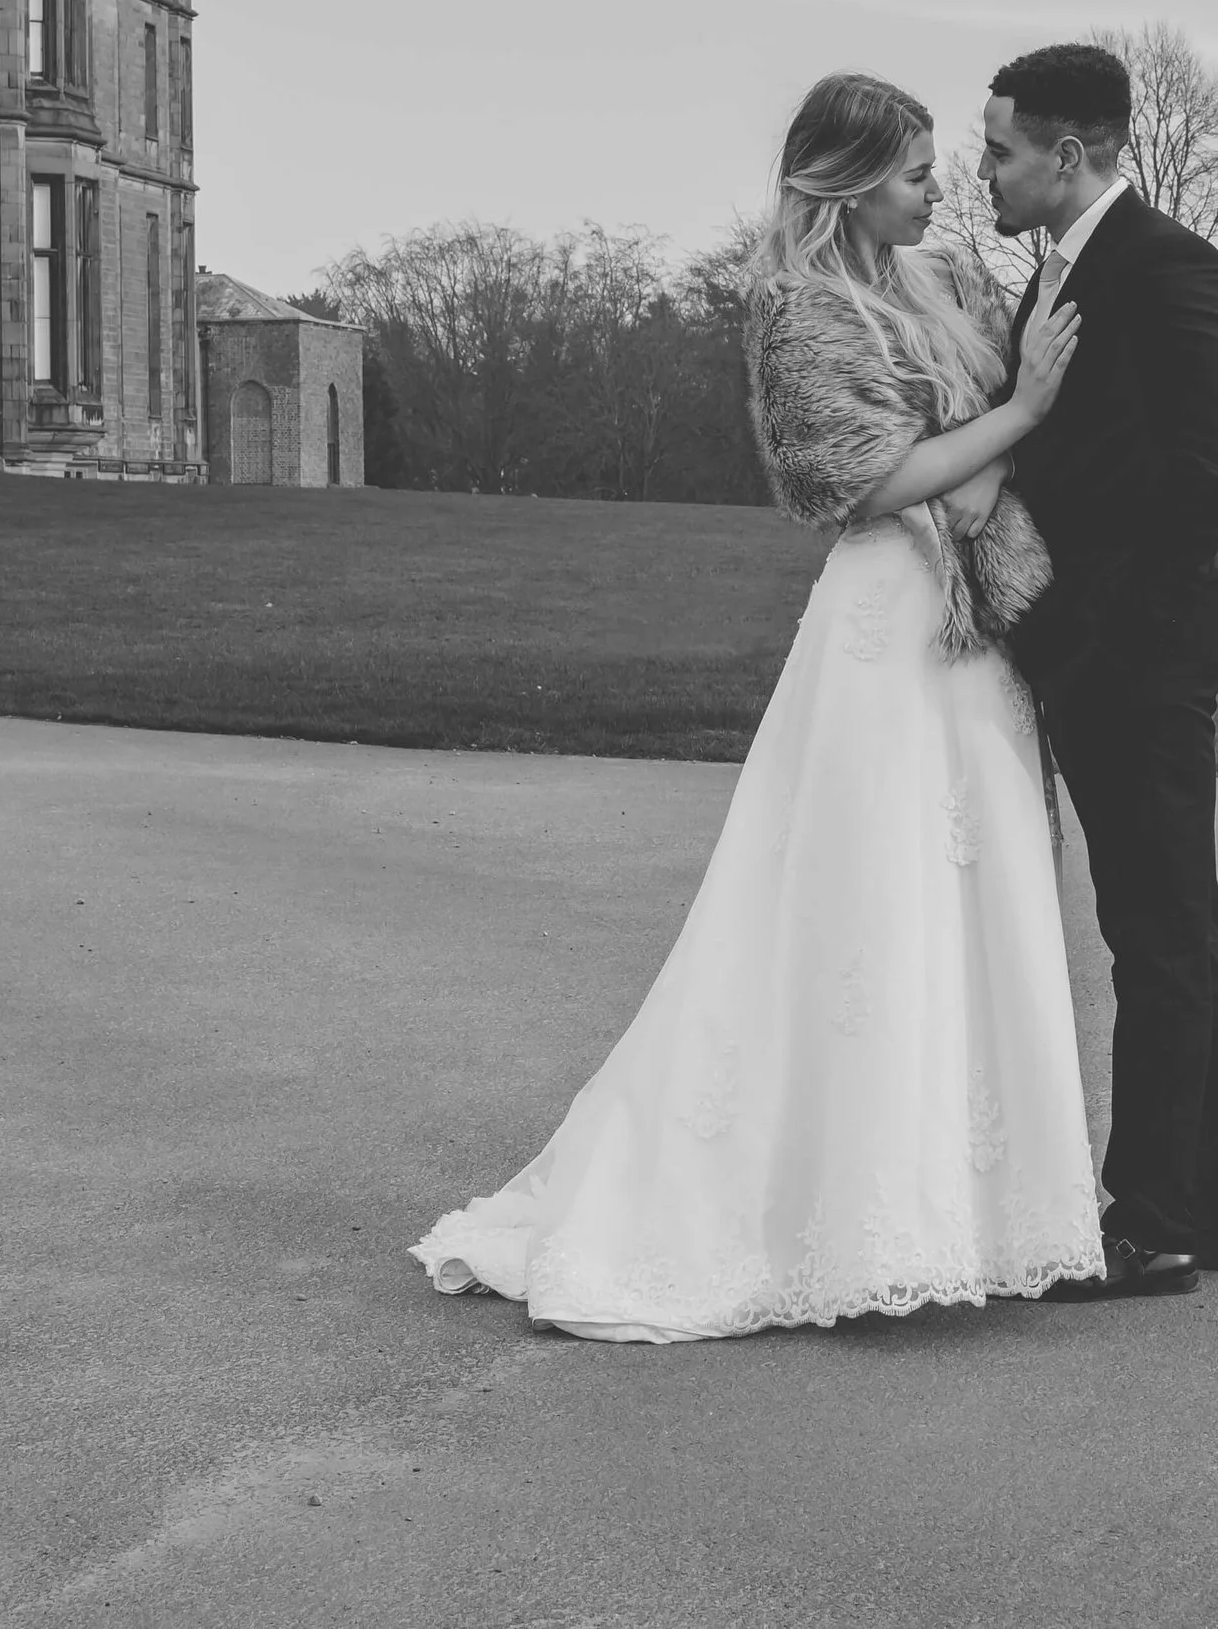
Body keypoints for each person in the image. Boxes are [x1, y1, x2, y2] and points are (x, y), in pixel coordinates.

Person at [412, 71, 1104, 1339]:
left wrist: (1003, 430)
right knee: (868, 902)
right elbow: (869, 479)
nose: (936, 187)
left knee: (975, 892)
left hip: (966, 628)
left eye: (939, 166)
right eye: (909, 172)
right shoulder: (801, 311)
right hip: (885, 626)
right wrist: (1019, 413)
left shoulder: (944, 284)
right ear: (842, 181)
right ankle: (850, 1218)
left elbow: (972, 460)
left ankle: (977, 1215)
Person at [981, 41, 1218, 1301]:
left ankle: (1147, 1221)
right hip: (1098, 646)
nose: (983, 168)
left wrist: (1114, 638)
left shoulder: (1168, 265)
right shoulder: (1054, 270)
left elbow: (1206, 472)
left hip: (1142, 654)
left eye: (998, 147)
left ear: (1070, 153)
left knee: (1154, 933)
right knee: (1172, 923)